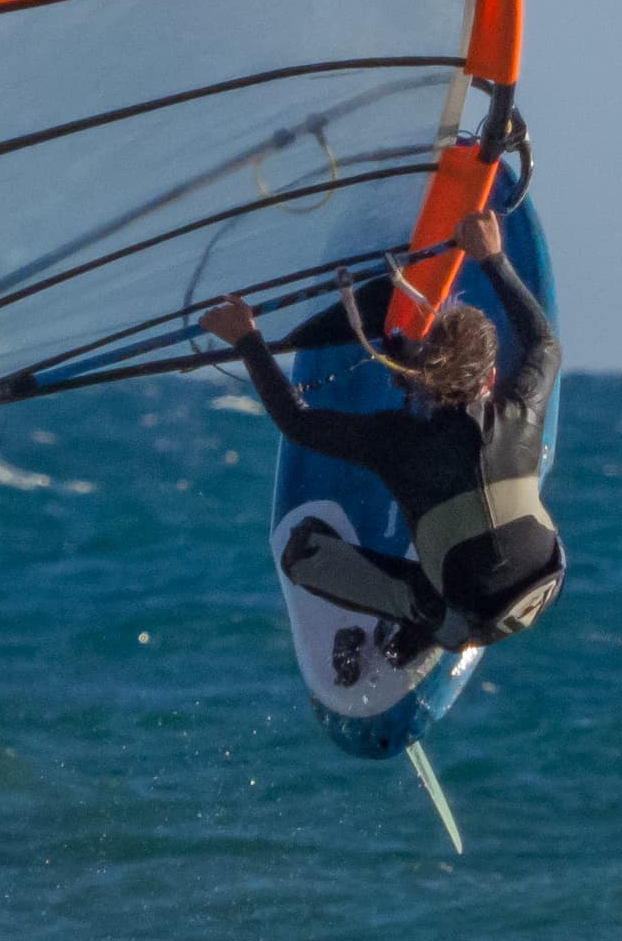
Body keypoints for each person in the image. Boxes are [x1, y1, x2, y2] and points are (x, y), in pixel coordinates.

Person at [200, 210, 563, 678]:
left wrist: (247, 339)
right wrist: (493, 259)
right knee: (476, 539)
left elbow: (298, 423)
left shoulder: (398, 441)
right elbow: (545, 346)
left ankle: (428, 622)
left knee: (304, 553)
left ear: (420, 378)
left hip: (468, 614)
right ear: (491, 378)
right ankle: (445, 609)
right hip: (545, 584)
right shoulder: (522, 406)